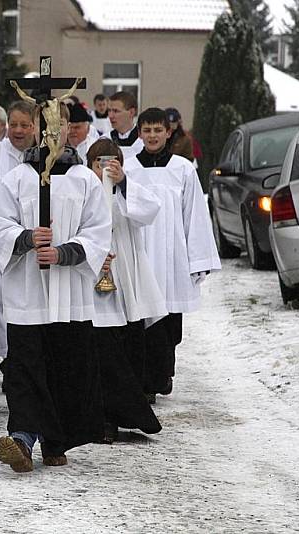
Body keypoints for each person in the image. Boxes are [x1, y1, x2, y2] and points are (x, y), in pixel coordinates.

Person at [0, 102, 112, 471]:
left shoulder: (85, 179)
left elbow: (98, 231)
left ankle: (56, 441)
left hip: (68, 294)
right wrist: (25, 237)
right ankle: (23, 439)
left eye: (59, 127)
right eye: (46, 127)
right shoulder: (17, 178)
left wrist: (63, 254)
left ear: (69, 129)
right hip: (27, 292)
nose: (51, 134)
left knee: (66, 367)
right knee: (25, 366)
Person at [123, 108, 221, 401]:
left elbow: (194, 215)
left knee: (167, 325)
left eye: (158, 130)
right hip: (138, 253)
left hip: (170, 254)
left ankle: (161, 373)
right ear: (139, 133)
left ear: (168, 132)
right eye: (147, 130)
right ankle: (143, 380)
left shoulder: (182, 169)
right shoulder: (127, 169)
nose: (152, 136)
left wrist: (197, 260)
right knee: (137, 320)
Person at [86, 139, 166, 444]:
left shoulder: (126, 191)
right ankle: (99, 417)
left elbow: (149, 210)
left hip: (123, 274)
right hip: (91, 275)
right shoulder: (81, 191)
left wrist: (124, 183)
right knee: (98, 350)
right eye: (98, 164)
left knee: (124, 347)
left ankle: (121, 415)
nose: (104, 170)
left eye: (111, 163)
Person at [0, 100, 36, 360]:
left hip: (36, 241)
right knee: (2, 303)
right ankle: (8, 359)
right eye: (14, 124)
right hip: (1, 243)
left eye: (25, 125)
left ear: (35, 127)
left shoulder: (43, 157)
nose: (18, 130)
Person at [103, 91, 143, 159]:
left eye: (116, 111)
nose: (110, 116)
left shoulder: (144, 140)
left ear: (131, 112)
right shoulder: (104, 140)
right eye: (109, 111)